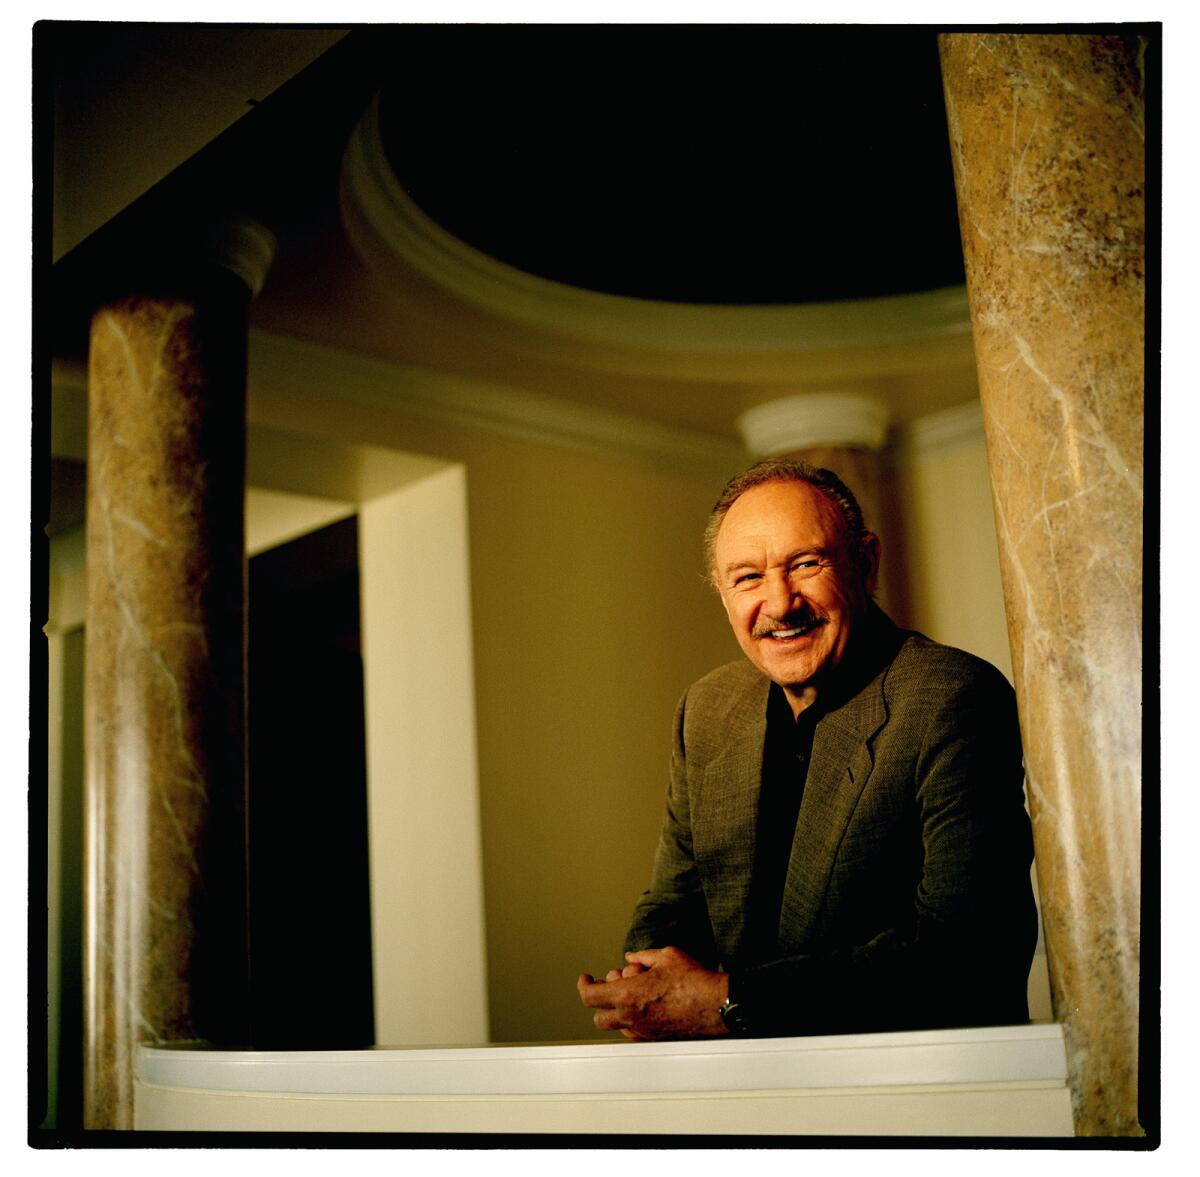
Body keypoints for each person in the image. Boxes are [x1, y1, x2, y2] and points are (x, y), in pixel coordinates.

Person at [577, 458, 1037, 1041]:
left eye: (806, 564)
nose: (780, 603)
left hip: (911, 1087)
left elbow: (967, 951)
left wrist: (726, 1001)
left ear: (865, 563)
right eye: (747, 577)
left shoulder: (951, 696)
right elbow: (672, 902)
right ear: (721, 593)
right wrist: (646, 981)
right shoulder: (707, 710)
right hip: (738, 1087)